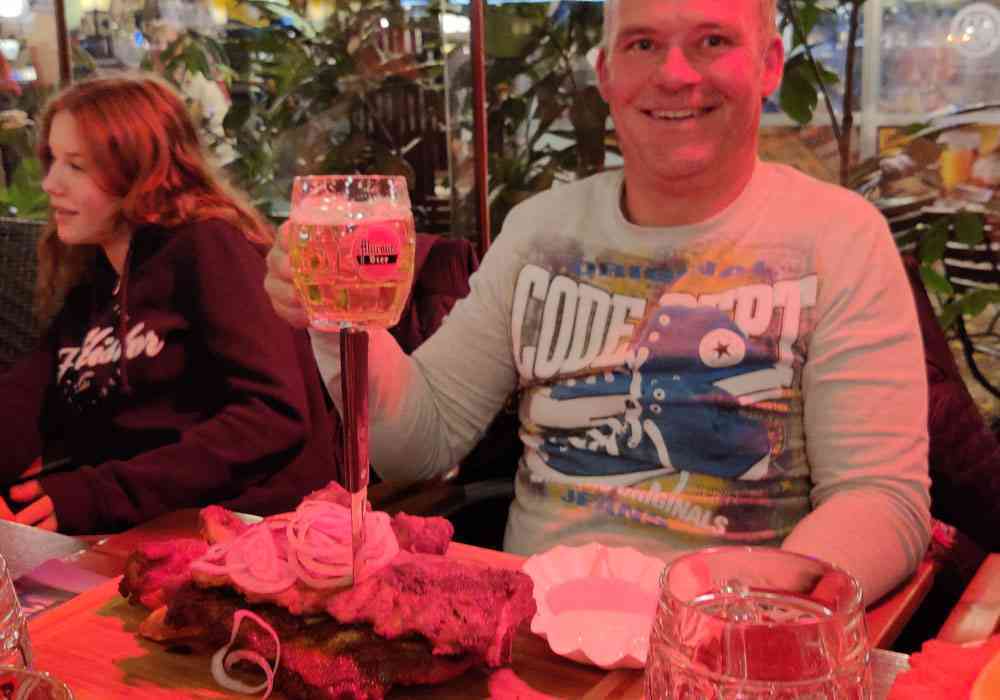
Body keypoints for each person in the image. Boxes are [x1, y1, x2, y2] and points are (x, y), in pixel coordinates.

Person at [264, 0, 931, 604]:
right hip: (533, 638)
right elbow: (420, 441)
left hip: (734, 639)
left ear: (769, 64)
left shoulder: (838, 238)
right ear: (606, 73)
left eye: (712, 41)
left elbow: (880, 498)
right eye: (643, 44)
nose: (674, 74)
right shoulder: (541, 231)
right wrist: (338, 318)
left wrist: (754, 618)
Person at [0, 73, 337, 535]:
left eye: (76, 166)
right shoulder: (97, 277)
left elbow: (273, 416)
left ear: (141, 170)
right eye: (53, 160)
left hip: (247, 529)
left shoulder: (207, 247)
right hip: (138, 529)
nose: (51, 184)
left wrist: (100, 495)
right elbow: (27, 401)